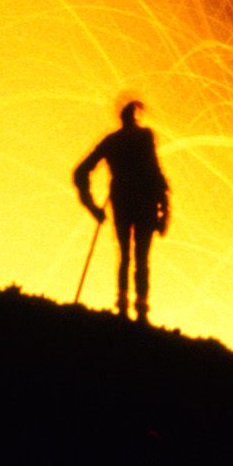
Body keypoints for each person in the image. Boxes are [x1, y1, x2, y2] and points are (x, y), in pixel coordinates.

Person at [73, 100, 170, 323]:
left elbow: (80, 172)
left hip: (122, 203)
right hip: (145, 203)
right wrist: (164, 209)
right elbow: (154, 169)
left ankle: (123, 305)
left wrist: (93, 207)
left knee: (125, 255)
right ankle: (142, 308)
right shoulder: (145, 136)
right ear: (135, 117)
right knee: (142, 257)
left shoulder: (111, 141)